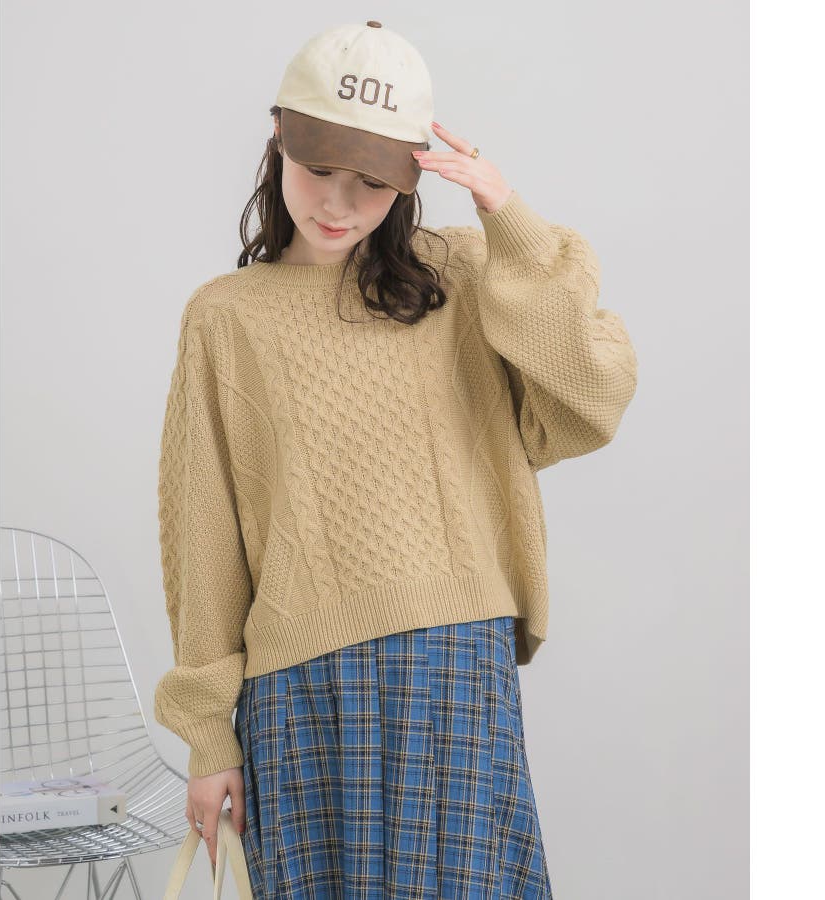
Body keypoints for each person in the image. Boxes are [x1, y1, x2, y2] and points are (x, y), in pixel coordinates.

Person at [153, 19, 638, 899]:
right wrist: (208, 738)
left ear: (411, 182)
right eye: (319, 169)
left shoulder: (464, 273)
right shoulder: (225, 317)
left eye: (372, 183)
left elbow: (592, 389)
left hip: (452, 660)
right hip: (299, 682)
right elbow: (205, 534)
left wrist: (507, 215)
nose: (338, 203)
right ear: (278, 138)